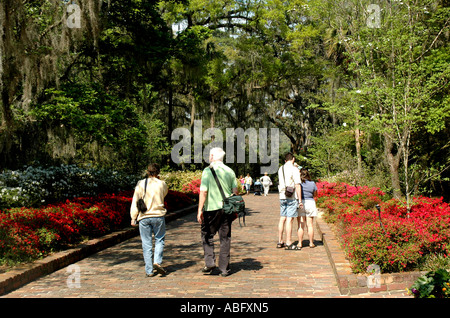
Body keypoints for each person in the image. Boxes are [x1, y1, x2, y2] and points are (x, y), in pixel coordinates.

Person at [197, 147, 238, 277]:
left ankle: (209, 263)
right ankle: (224, 269)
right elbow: (235, 192)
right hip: (226, 208)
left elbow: (203, 191)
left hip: (211, 209)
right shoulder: (230, 171)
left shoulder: (207, 171)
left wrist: (199, 210)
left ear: (213, 156)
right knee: (225, 238)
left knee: (207, 234)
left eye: (210, 155)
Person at [130, 163, 169, 277]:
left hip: (144, 216)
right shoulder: (162, 184)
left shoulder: (141, 184)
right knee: (159, 240)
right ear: (158, 172)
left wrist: (133, 217)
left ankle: (149, 270)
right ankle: (157, 261)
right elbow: (164, 194)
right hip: (158, 215)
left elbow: (135, 200)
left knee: (146, 243)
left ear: (148, 172)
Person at [277, 152, 302, 250]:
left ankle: (280, 241)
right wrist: (300, 200)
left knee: (282, 217)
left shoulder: (281, 168)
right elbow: (297, 185)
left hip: (282, 195)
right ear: (293, 159)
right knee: (289, 219)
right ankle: (288, 242)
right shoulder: (294, 169)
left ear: (285, 160)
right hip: (291, 196)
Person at [297, 169, 318, 248]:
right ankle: (311, 243)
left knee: (300, 225)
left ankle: (299, 243)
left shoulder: (299, 184)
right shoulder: (312, 183)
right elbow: (315, 194)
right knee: (310, 225)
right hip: (310, 202)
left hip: (301, 202)